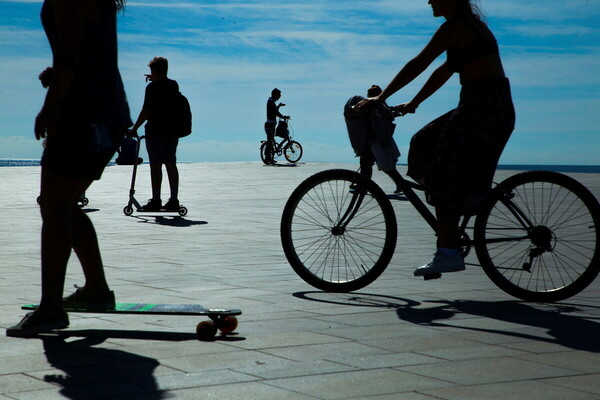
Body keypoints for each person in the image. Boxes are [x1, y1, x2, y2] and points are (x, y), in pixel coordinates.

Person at [357, 0, 515, 277]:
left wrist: (382, 97)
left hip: (483, 107)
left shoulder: (455, 27)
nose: (428, 0)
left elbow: (419, 62)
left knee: (444, 177)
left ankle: (449, 250)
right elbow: (443, 71)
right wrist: (414, 102)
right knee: (422, 143)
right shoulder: (469, 27)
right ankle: (455, 205)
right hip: (488, 106)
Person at [7, 0, 132, 337]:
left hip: (84, 114)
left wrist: (50, 106)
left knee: (55, 205)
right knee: (60, 205)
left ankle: (51, 308)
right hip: (106, 111)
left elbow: (70, 53)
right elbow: (86, 52)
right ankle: (96, 290)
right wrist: (61, 78)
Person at [129, 57, 182, 211]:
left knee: (156, 166)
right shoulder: (173, 85)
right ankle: (173, 199)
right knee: (171, 164)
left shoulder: (152, 88)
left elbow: (146, 111)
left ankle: (156, 200)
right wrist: (155, 79)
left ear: (154, 71)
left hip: (156, 131)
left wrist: (134, 128)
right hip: (172, 131)